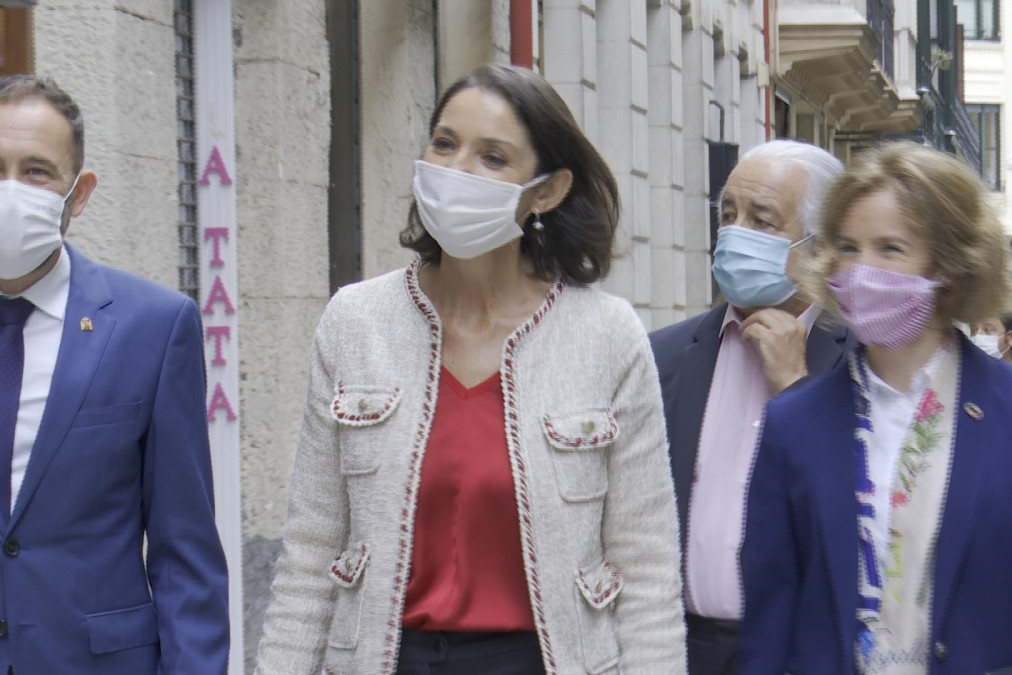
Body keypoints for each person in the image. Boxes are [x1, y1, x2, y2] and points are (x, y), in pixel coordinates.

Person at [254, 64, 686, 675]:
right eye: (444, 143)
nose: (456, 170)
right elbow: (310, 552)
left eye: (492, 157)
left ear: (547, 191)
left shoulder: (606, 336)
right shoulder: (356, 321)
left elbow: (646, 568)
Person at [741, 142, 1012, 674]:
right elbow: (769, 619)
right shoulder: (792, 422)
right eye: (848, 247)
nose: (862, 271)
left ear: (950, 265)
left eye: (890, 248)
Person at [0, 76, 229, 672]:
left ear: (78, 194)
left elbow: (184, 553)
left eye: (36, 171)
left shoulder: (153, 326)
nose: (10, 189)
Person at [648, 139, 848, 674]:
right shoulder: (662, 356)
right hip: (684, 650)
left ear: (819, 246)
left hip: (805, 653)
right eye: (728, 215)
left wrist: (796, 388)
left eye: (762, 220)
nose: (736, 233)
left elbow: (857, 513)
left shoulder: (865, 360)